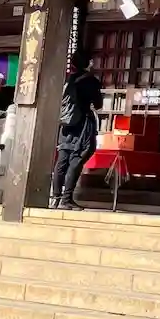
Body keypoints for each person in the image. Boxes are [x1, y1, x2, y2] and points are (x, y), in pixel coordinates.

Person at [51, 52, 103, 209]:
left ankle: (55, 198)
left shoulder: (68, 79)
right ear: (88, 63)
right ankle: (66, 199)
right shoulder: (91, 81)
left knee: (62, 159)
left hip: (66, 124)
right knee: (77, 159)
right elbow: (98, 104)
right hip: (83, 124)